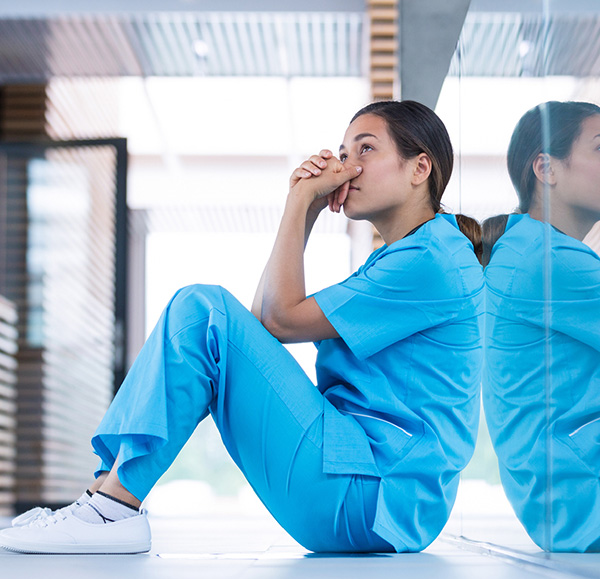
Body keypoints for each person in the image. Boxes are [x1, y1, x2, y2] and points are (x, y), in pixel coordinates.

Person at [0, 100, 484, 555]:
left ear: (420, 168)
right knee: (205, 314)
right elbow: (268, 318)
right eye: (342, 153)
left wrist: (299, 203)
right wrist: (306, 208)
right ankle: (102, 501)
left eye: (366, 149)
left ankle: (110, 511)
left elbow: (275, 319)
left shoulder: (431, 261)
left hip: (370, 494)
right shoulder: (408, 256)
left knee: (202, 310)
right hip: (364, 486)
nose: (348, 165)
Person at [483, 101, 600, 551]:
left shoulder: (525, 247)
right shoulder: (549, 260)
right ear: (546, 168)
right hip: (587, 497)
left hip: (567, 501)